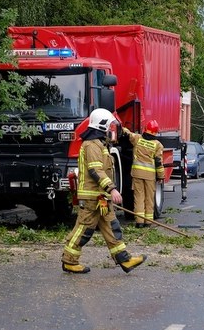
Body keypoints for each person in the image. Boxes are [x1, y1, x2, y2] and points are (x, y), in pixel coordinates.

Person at [61, 108, 146, 274]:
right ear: (101, 126)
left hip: (101, 197)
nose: (111, 131)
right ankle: (69, 261)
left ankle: (125, 260)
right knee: (84, 230)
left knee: (112, 227)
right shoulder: (92, 145)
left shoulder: (100, 144)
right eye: (110, 127)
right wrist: (112, 189)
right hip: (93, 197)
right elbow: (96, 171)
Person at [122, 120, 164, 227]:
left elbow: (128, 133)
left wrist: (121, 127)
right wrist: (160, 176)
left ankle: (139, 222)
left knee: (139, 197)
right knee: (149, 198)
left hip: (137, 174)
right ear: (156, 132)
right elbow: (159, 162)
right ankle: (148, 222)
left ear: (145, 129)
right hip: (150, 176)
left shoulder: (138, 139)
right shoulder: (158, 145)